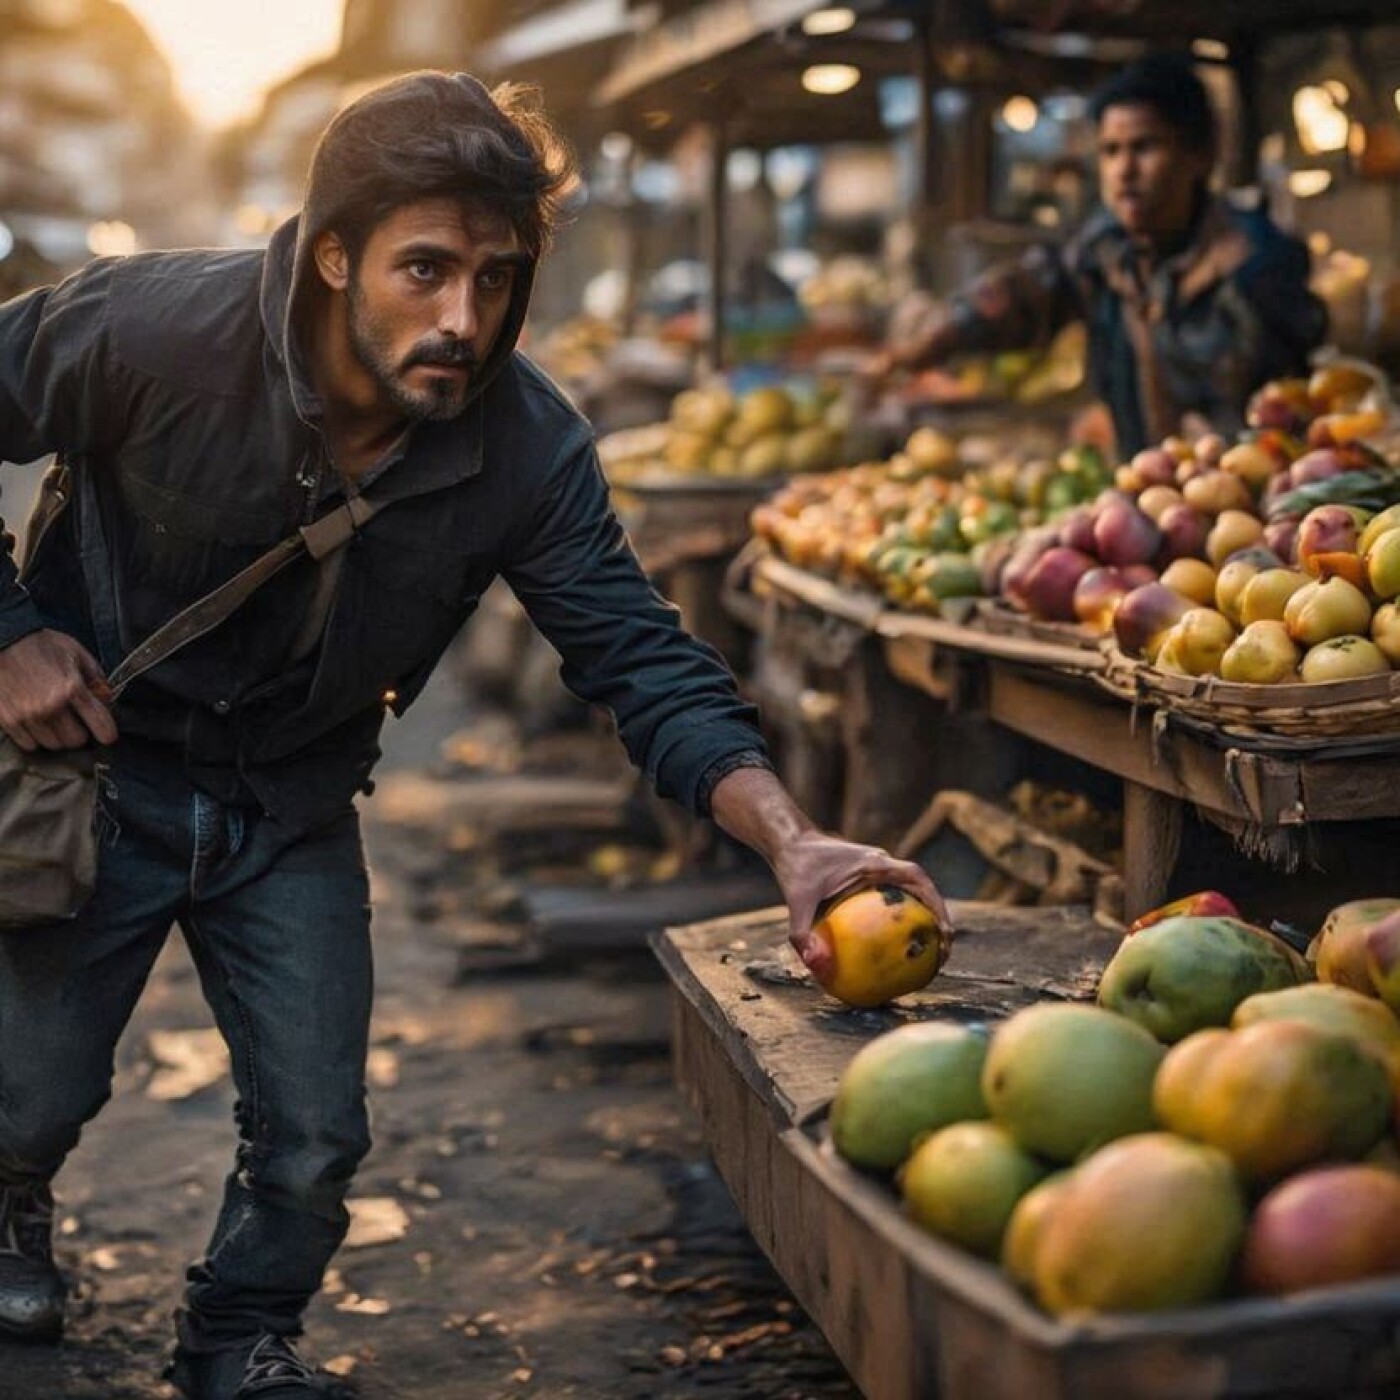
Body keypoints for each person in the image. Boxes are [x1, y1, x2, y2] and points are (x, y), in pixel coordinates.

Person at [0, 72, 945, 1399]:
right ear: (335, 254)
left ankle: (238, 1339)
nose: (463, 319)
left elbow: (638, 655)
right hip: (94, 775)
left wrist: (791, 844)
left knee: (319, 1139)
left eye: (497, 281)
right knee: (22, 1101)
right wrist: (10, 636)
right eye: (425, 271)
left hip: (292, 802)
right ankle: (12, 1193)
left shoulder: (529, 444)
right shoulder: (154, 325)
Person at [867, 52, 1328, 456]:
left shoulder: (1253, 264)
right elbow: (1032, 290)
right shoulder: (1107, 249)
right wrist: (928, 342)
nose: (1124, 170)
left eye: (1145, 147)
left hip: (1244, 507)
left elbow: (1288, 406)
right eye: (1110, 151)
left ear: (1200, 155)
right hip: (1150, 496)